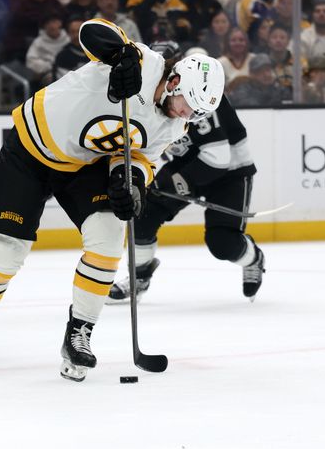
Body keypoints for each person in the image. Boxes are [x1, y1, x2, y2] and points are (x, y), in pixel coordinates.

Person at [0, 18, 225, 382]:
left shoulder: (174, 125)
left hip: (83, 164)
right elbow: (90, 30)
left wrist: (130, 182)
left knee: (109, 238)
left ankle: (79, 333)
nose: (189, 115)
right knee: (6, 250)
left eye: (198, 113)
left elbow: (144, 159)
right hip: (30, 149)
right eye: (190, 104)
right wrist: (118, 54)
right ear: (174, 82)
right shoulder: (142, 61)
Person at [107, 42, 264, 305]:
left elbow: (218, 158)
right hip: (189, 162)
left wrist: (173, 181)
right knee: (143, 213)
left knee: (222, 243)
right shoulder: (157, 91)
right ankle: (140, 276)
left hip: (230, 172)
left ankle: (254, 259)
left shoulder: (196, 93)